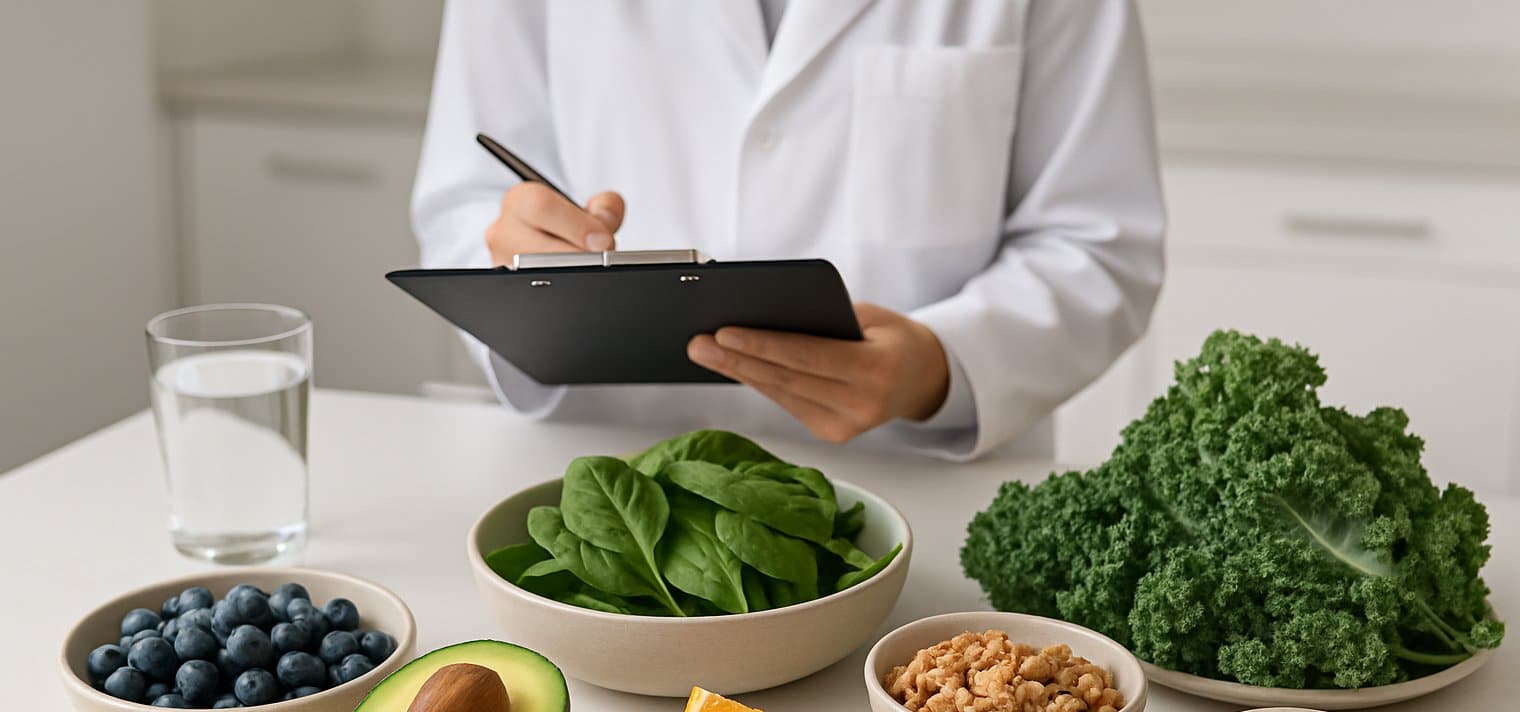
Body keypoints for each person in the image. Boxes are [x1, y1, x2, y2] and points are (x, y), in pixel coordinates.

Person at [412, 0, 1164, 460]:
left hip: (915, 487)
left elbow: (1098, 243)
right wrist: (513, 253)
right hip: (596, 477)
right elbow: (467, 201)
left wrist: (941, 365)